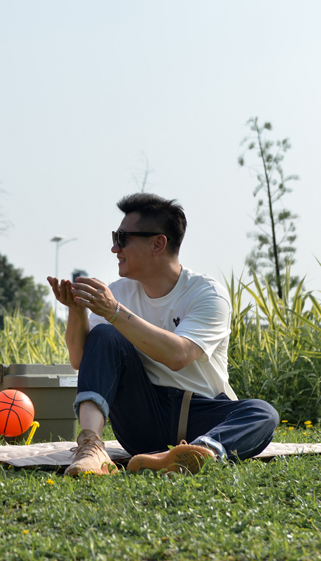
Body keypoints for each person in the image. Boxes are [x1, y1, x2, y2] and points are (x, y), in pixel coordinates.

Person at [47, 193, 278, 476]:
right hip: (142, 418)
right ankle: (91, 449)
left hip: (200, 412)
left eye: (122, 238)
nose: (114, 248)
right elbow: (81, 360)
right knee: (105, 335)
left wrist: (115, 312)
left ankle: (198, 453)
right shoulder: (119, 292)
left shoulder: (207, 294)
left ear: (158, 243)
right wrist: (76, 311)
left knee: (262, 413)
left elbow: (178, 355)